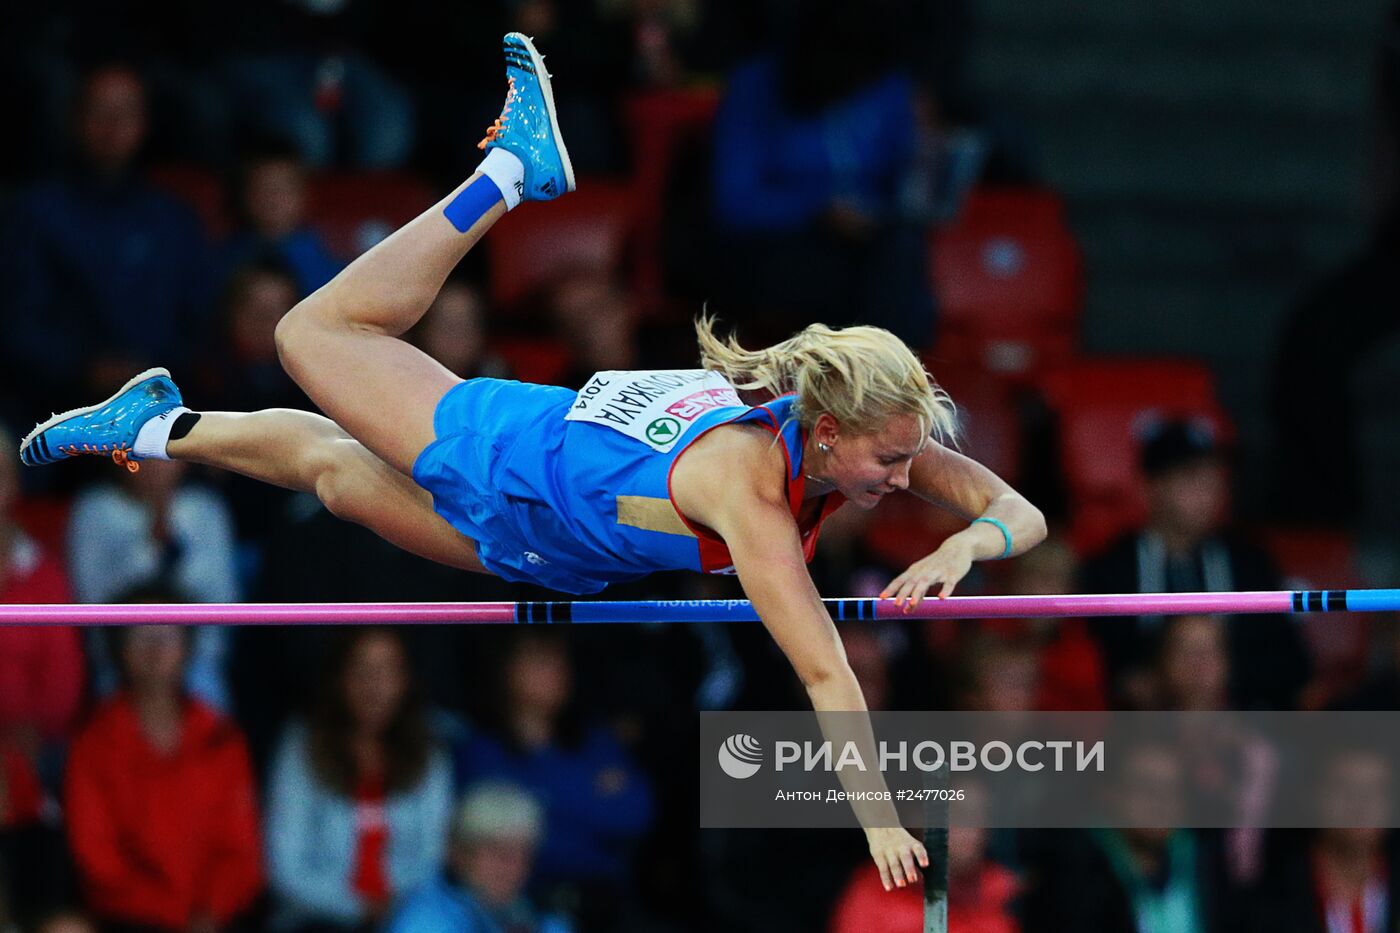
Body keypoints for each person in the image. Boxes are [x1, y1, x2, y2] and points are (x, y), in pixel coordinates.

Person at [18, 33, 1046, 888]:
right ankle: (165, 420)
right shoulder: (749, 491)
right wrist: (874, 822)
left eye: (911, 458)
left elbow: (1016, 511)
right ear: (825, 431)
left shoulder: (846, 450)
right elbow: (823, 670)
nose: (904, 476)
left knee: (323, 394)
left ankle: (507, 175)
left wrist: (969, 547)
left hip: (535, 519)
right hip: (521, 463)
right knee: (317, 385)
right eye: (891, 458)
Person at [64, 623, 263, 932]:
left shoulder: (222, 738)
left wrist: (210, 911)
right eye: (140, 637)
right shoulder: (93, 742)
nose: (155, 649)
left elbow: (242, 851)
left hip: (216, 920)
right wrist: (176, 916)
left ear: (187, 648)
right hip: (128, 920)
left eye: (168, 637)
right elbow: (97, 859)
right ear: (119, 650)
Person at [264, 628, 453, 932]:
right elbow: (285, 866)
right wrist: (359, 909)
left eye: (387, 670)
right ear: (338, 677)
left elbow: (432, 856)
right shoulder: (302, 744)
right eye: (361, 669)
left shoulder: (429, 749)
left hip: (404, 920)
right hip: (315, 921)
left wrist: (392, 907)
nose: (374, 685)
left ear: (406, 679)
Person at [387, 781, 571, 933]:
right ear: (461, 854)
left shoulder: (543, 918)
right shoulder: (426, 917)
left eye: (524, 855)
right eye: (501, 854)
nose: (515, 869)